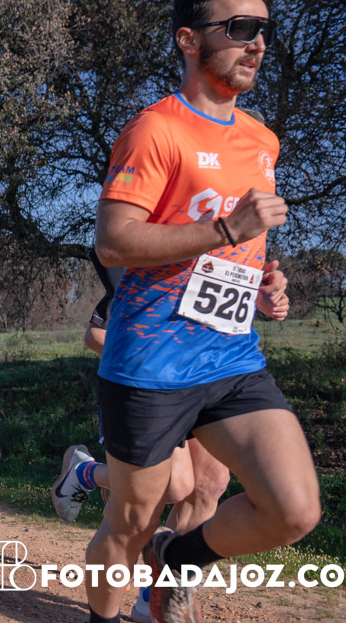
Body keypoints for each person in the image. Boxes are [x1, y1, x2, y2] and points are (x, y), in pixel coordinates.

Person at [81, 0, 318, 623]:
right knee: (129, 524)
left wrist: (262, 282)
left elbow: (235, 247)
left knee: (294, 509)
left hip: (231, 357)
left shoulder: (262, 140)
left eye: (263, 30)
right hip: (151, 365)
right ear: (189, 39)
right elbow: (114, 241)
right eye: (240, 28)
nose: (257, 43)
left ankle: (179, 557)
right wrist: (227, 230)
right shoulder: (156, 130)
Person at [55, 249, 232, 623]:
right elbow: (95, 335)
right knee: (171, 486)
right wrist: (160, 361)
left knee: (210, 484)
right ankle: (85, 472)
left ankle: (155, 597)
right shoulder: (157, 259)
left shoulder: (221, 262)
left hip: (207, 383)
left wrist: (268, 294)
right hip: (152, 387)